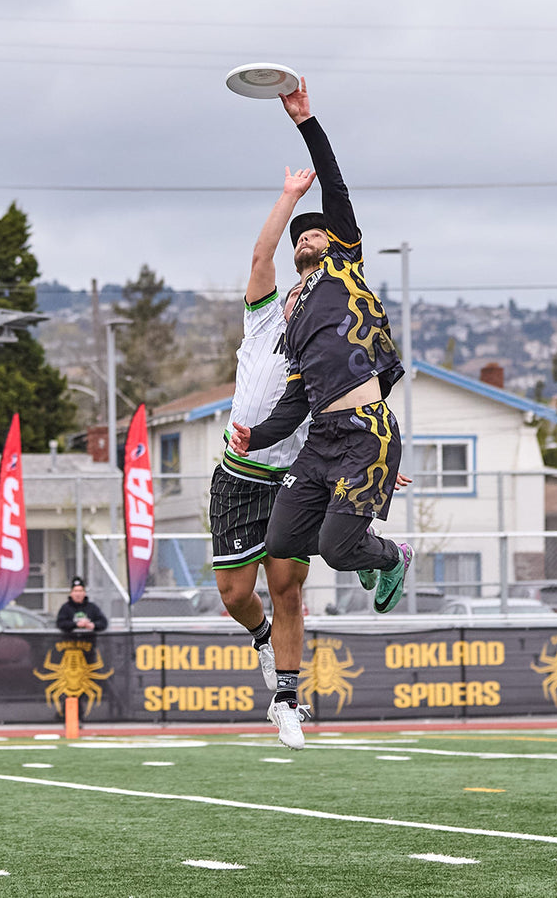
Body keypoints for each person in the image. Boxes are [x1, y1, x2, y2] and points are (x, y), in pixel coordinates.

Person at [229, 80, 414, 637]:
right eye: (300, 237)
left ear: (336, 242)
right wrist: (251, 437)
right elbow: (292, 404)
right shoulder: (293, 319)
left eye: (317, 233)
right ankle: (355, 540)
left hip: (364, 432)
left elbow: (335, 188)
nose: (307, 237)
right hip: (321, 441)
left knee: (334, 550)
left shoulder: (343, 269)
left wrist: (306, 123)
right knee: (283, 542)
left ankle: (386, 554)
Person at [210, 166, 317, 750]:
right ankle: (260, 637)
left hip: (291, 481)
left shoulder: (325, 341)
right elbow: (261, 256)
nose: (303, 292)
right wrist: (289, 197)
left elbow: (350, 404)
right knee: (234, 595)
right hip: (237, 476)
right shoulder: (262, 315)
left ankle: (288, 697)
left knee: (289, 589)